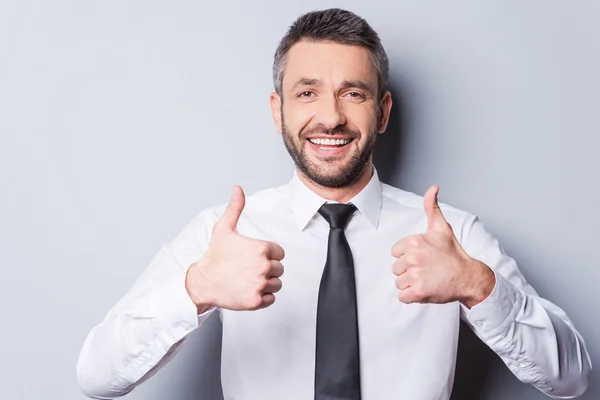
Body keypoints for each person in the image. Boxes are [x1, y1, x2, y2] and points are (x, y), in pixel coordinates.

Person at [76, 8, 592, 400]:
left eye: (353, 94)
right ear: (277, 111)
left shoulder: (449, 235)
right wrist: (197, 289)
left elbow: (571, 377)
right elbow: (97, 375)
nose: (331, 117)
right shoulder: (225, 234)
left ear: (382, 111)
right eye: (307, 94)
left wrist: (480, 286)